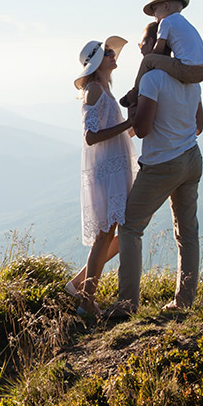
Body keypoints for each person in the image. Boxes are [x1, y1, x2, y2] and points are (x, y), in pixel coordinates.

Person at [106, 21, 203, 317]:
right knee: (187, 232)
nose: (140, 49)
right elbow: (198, 126)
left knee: (131, 227)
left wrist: (133, 114)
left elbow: (144, 129)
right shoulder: (192, 79)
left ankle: (126, 305)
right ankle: (184, 301)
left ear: (156, 44)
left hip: (162, 163)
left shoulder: (152, 79)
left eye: (142, 44)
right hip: (192, 158)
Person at [65, 36, 138, 316]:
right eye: (108, 53)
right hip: (106, 170)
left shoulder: (104, 87)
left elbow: (118, 134)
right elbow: (91, 136)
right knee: (105, 234)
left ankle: (78, 284)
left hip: (115, 167)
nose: (113, 55)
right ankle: (85, 300)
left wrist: (138, 124)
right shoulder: (94, 89)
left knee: (121, 230)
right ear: (97, 62)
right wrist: (129, 123)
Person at [120, 0, 203, 108]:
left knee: (148, 60)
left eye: (155, 10)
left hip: (187, 68)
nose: (155, 16)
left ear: (166, 6)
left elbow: (159, 49)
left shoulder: (166, 22)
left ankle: (135, 92)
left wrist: (151, 61)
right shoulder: (186, 23)